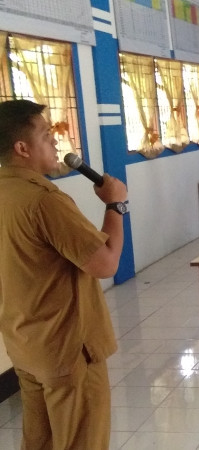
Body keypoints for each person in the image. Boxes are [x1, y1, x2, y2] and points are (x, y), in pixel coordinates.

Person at [0, 99, 128, 449]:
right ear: (22, 148)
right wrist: (115, 205)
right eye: (46, 135)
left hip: (25, 343)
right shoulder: (44, 200)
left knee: (39, 441)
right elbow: (105, 264)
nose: (56, 142)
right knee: (80, 440)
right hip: (67, 349)